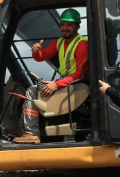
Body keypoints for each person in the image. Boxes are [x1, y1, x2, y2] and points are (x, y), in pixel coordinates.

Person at [14, 8, 89, 144]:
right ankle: (35, 131)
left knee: (32, 90)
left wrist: (56, 84)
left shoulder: (82, 44)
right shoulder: (59, 42)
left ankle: (32, 133)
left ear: (77, 27)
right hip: (66, 84)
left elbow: (80, 74)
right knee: (37, 88)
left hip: (76, 85)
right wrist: (36, 51)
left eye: (69, 25)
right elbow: (41, 56)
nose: (65, 28)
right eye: (63, 25)